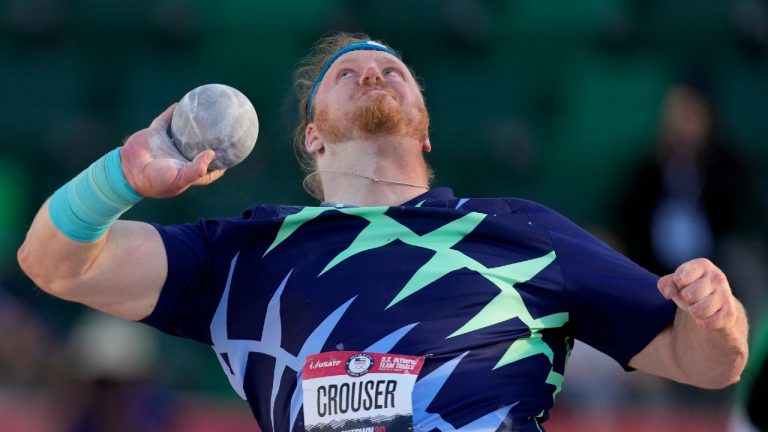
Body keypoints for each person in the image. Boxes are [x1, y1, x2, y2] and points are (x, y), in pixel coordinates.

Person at [18, 32, 749, 432]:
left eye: (392, 69)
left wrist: (715, 316)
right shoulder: (243, 256)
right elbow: (52, 264)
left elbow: (709, 365)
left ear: (425, 128)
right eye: (348, 72)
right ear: (311, 135)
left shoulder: (520, 232)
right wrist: (120, 177)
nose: (372, 73)